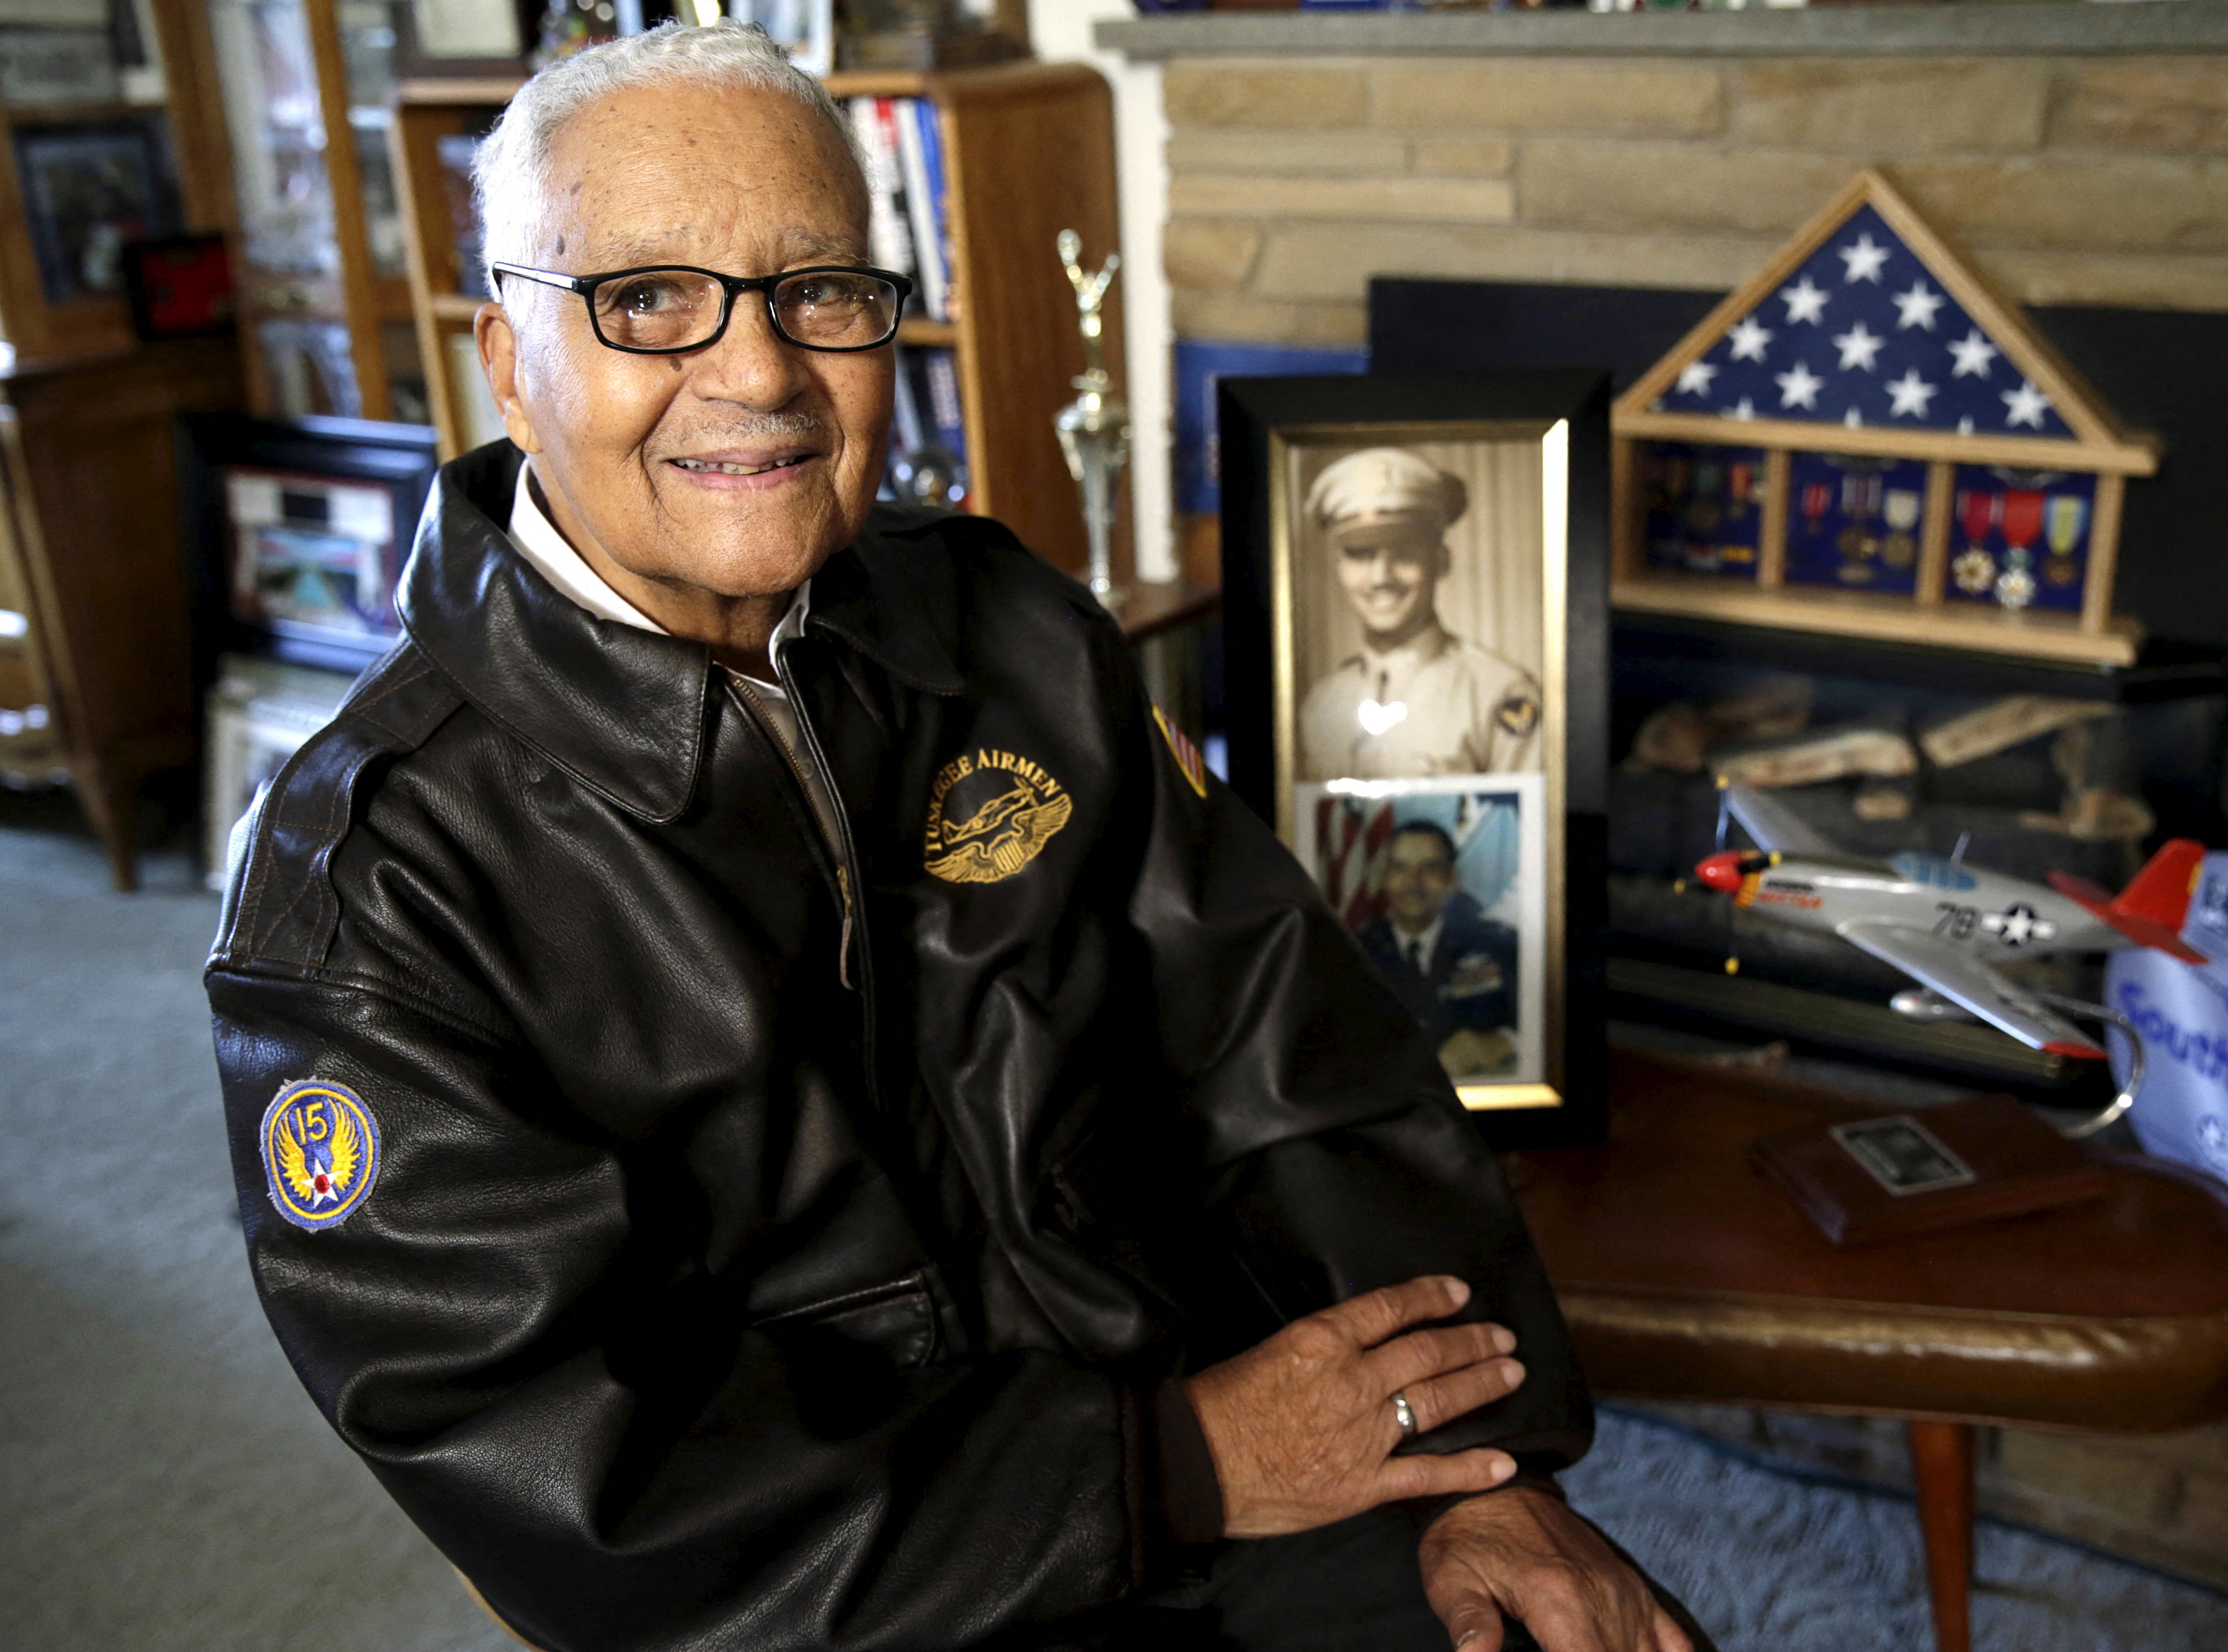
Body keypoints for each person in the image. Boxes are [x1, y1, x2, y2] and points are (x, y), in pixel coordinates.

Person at [204, 25, 1706, 1652]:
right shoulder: (370, 888)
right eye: (646, 299)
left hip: (1202, 1419)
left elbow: (1292, 1051)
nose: (760, 371)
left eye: (819, 292)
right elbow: (582, 1484)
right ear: (508, 357)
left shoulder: (1004, 623)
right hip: (845, 1579)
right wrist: (1171, 1466)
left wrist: (1470, 1460)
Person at [1299, 448, 1542, 783]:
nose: (1381, 578)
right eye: (1360, 555)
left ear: (1441, 562)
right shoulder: (1322, 704)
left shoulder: (1498, 693)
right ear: (1339, 569)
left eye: (1404, 553)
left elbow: (1522, 828)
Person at [1356, 823, 1521, 1080]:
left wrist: (1506, 1042)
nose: (1413, 882)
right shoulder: (1352, 953)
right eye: (1400, 868)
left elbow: (1538, 1022)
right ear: (1385, 877)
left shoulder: (1498, 946)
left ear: (1451, 879)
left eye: (1430, 868)